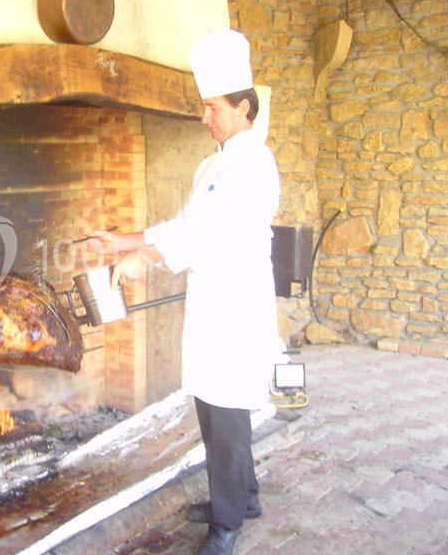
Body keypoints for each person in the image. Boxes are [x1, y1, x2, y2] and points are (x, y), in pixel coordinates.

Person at [87, 29, 283, 555]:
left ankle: (227, 524)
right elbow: (185, 223)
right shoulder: (213, 163)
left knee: (226, 413)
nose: (203, 117)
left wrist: (143, 260)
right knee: (216, 406)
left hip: (234, 305)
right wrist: (126, 240)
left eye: (212, 107)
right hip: (212, 301)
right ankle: (242, 498)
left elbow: (206, 234)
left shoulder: (252, 163)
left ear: (243, 108)